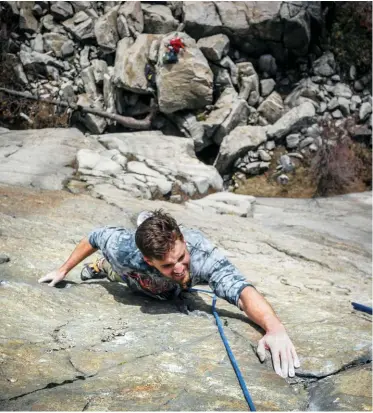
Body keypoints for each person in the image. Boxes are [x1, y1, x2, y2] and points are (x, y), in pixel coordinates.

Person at [38, 209, 300, 378]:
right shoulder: (124, 250)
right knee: (115, 271)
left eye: (181, 258)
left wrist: (274, 328)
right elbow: (95, 236)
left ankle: (148, 224)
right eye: (167, 264)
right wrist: (63, 270)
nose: (178, 268)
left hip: (170, 290)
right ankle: (102, 267)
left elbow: (242, 291)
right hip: (132, 278)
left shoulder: (200, 252)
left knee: (172, 285)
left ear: (183, 240)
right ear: (149, 260)